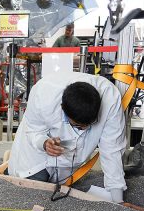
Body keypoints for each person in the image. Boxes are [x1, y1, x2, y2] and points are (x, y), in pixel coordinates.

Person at [7, 72, 126, 203]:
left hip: (66, 169)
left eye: (90, 125)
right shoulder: (43, 95)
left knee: (57, 186)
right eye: (78, 126)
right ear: (62, 108)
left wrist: (117, 199)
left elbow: (112, 149)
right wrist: (44, 143)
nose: (84, 130)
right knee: (31, 189)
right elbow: (33, 130)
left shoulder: (111, 100)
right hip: (35, 159)